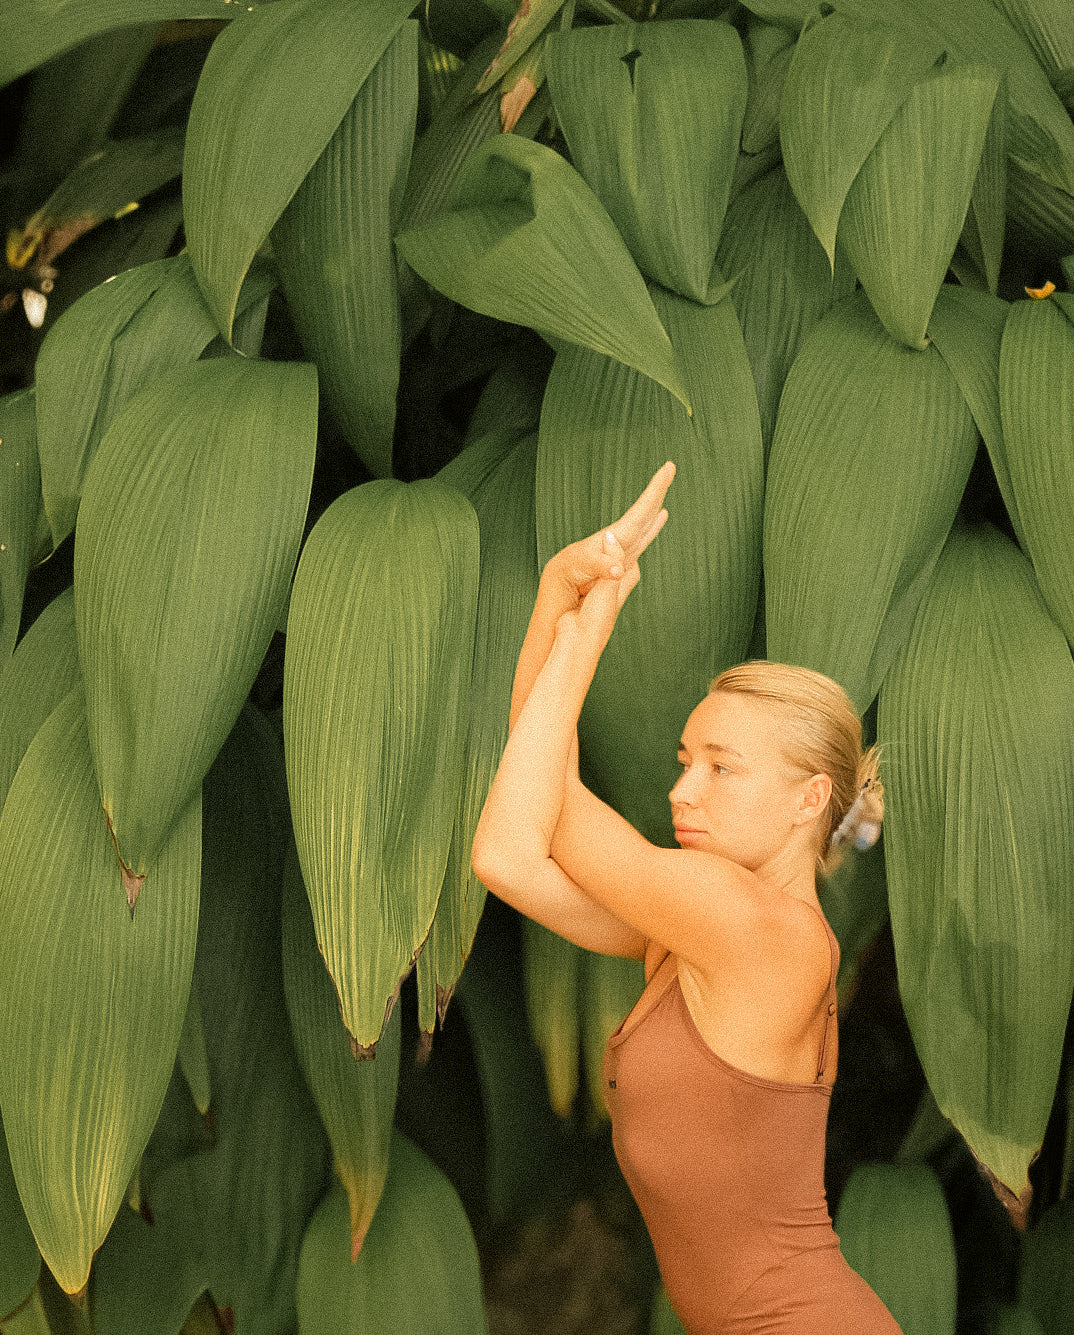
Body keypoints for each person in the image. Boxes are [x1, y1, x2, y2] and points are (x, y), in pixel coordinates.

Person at [471, 462, 902, 1334]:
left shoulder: (751, 924)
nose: (681, 791)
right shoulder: (694, 936)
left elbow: (517, 835)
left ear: (810, 800)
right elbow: (525, 836)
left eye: (720, 768)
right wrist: (557, 596)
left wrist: (590, 627)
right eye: (684, 760)